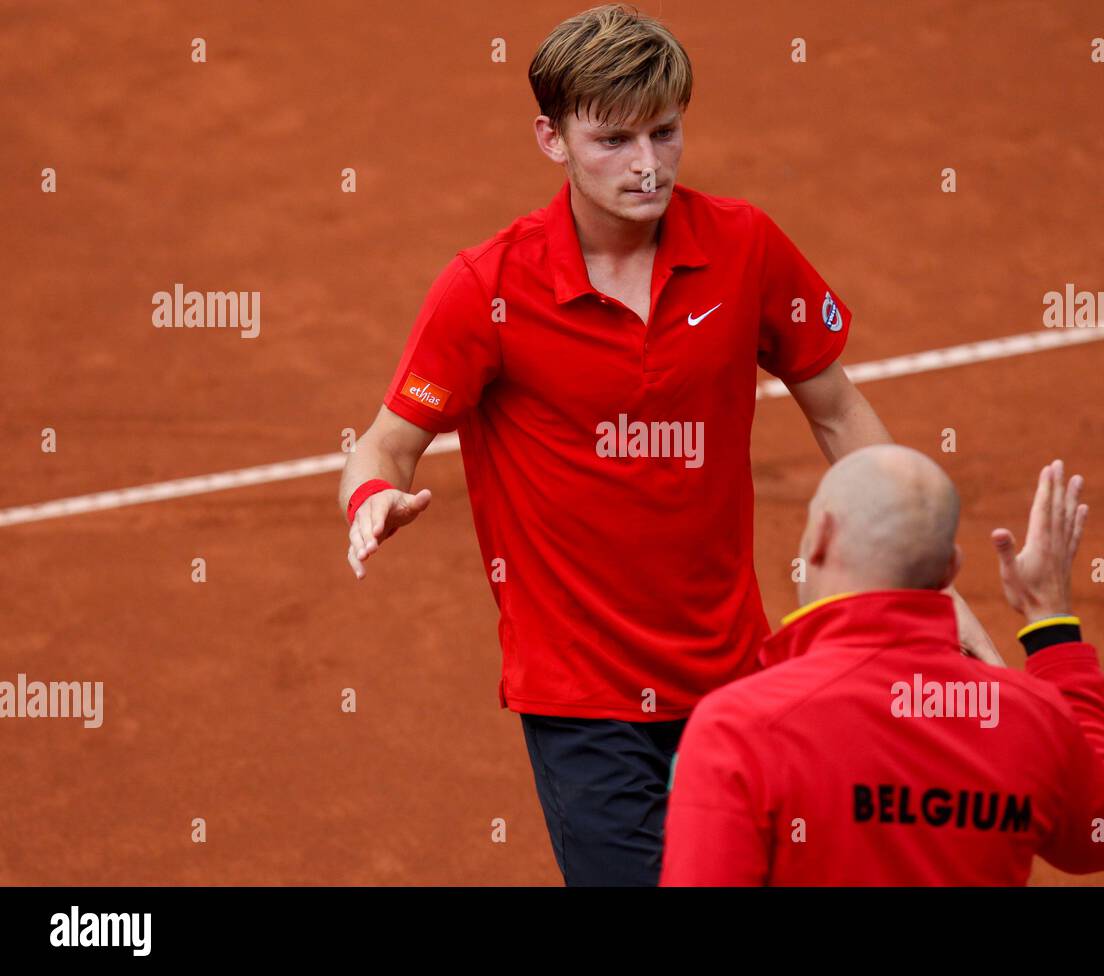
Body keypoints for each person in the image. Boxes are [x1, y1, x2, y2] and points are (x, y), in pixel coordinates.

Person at [337, 4, 998, 886]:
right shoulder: (485, 290)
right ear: (551, 138)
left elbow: (838, 411)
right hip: (581, 700)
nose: (646, 166)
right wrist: (371, 497)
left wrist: (920, 584)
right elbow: (386, 444)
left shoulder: (745, 247)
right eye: (612, 139)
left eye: (664, 133)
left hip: (734, 675)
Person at [660, 452, 1104, 885]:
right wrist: (1050, 623)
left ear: (822, 536)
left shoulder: (738, 728)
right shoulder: (1030, 717)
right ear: (950, 571)